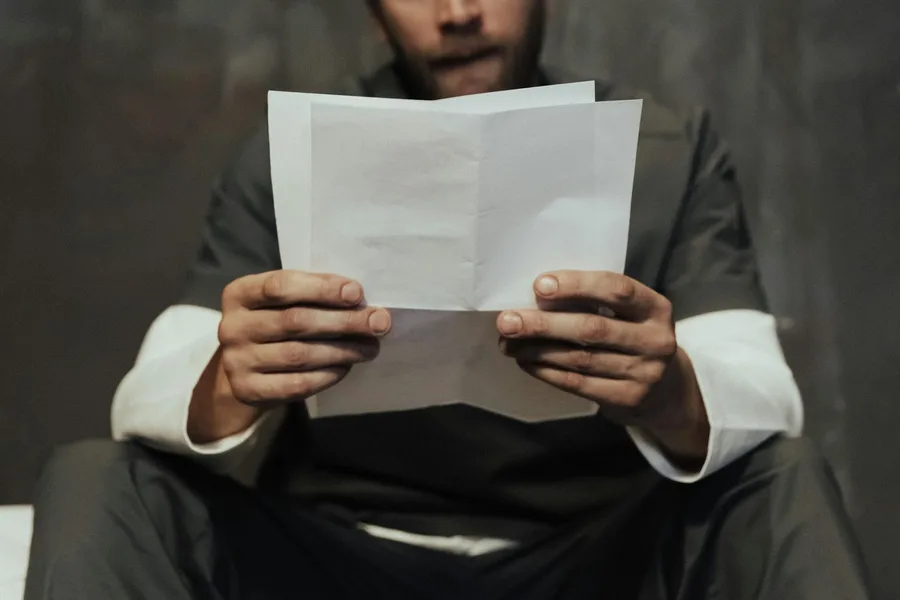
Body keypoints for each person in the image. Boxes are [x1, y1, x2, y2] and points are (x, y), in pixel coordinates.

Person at [25, 1, 871, 599]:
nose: (458, 9)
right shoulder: (295, 154)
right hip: (334, 559)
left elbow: (765, 390)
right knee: (97, 475)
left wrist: (671, 389)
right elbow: (144, 394)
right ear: (374, 11)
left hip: (598, 559)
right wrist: (228, 378)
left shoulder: (668, 148)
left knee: (782, 475)